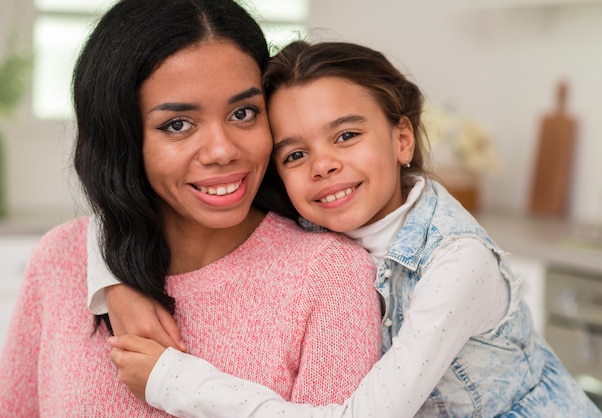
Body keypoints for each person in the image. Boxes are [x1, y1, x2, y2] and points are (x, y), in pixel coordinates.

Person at [100, 41, 602, 417]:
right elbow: (120, 203)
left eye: (346, 135)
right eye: (295, 154)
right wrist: (115, 282)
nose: (323, 166)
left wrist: (176, 381)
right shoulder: (317, 223)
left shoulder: (458, 263)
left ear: (402, 138)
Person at [0, 3, 384, 415]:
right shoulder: (61, 258)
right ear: (122, 138)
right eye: (178, 124)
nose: (222, 151)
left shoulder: (331, 276)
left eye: (243, 113)